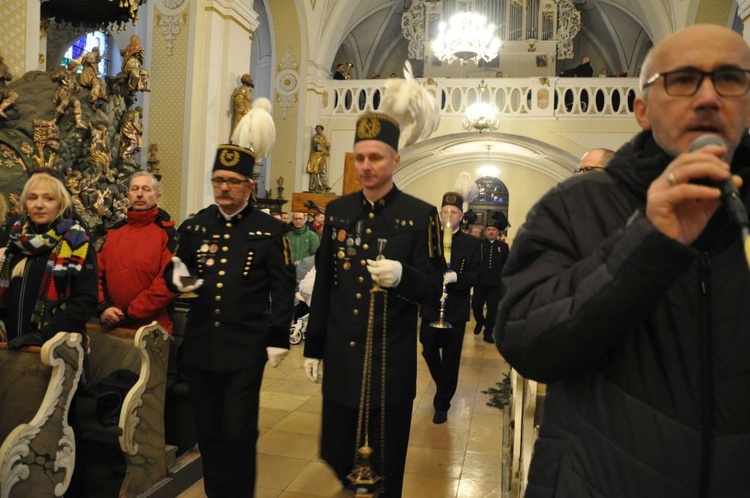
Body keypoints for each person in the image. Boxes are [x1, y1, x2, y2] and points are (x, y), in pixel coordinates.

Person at [496, 24, 750, 496]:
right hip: (596, 479)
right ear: (641, 110)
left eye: (731, 79)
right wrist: (646, 241)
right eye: (682, 79)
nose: (710, 97)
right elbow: (523, 337)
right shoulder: (575, 205)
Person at [303, 107, 443, 495]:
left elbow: (434, 288)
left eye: (376, 157)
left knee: (384, 465)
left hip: (388, 361)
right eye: (360, 157)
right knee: (337, 451)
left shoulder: (420, 215)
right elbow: (325, 286)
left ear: (395, 160)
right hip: (343, 356)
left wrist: (404, 277)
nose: (366, 166)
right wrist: (313, 348)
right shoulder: (338, 211)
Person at [164, 106, 295, 496]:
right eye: (218, 180)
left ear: (249, 186)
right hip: (201, 347)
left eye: (233, 182)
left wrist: (277, 338)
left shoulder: (269, 231)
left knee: (238, 431)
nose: (223, 188)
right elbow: (176, 272)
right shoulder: (197, 225)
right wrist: (178, 278)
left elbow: (283, 289)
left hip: (245, 348)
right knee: (208, 432)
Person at [0, 173, 97, 348]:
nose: (39, 205)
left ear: (61, 204)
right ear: (25, 205)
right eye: (32, 198)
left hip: (59, 348)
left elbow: (86, 301)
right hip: (12, 346)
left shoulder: (77, 243)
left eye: (48, 198)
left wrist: (42, 336)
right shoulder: (16, 243)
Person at [419, 191, 480, 424]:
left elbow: (477, 273)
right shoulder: (429, 240)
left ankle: (442, 403)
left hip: (456, 307)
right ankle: (443, 385)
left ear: (460, 216)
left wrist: (458, 277)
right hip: (431, 306)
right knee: (428, 347)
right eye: (444, 211)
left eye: (453, 212)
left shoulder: (471, 243)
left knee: (452, 357)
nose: (448, 215)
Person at [97, 171, 177, 333]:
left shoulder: (168, 234)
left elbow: (166, 284)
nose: (140, 194)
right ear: (128, 195)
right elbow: (94, 275)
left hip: (153, 328)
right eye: (135, 189)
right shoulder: (113, 232)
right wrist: (103, 307)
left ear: (158, 196)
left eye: (146, 189)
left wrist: (128, 312)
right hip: (111, 324)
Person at [471, 214, 509, 343]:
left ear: (498, 232)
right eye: (489, 229)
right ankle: (480, 321)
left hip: (495, 284)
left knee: (492, 310)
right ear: (485, 232)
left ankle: (488, 332)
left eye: (493, 229)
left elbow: (506, 264)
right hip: (480, 282)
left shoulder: (503, 247)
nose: (491, 231)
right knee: (476, 305)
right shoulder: (479, 244)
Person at [52, 61, 87, 130]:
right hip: (62, 92)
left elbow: (76, 85)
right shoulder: (64, 73)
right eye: (76, 68)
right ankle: (54, 120)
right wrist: (57, 77)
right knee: (65, 102)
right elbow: (54, 78)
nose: (77, 70)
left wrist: (78, 88)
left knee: (77, 102)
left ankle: (78, 122)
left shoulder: (73, 77)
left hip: (69, 94)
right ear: (72, 67)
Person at [306, 125, 331, 192]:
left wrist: (328, 147)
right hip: (316, 156)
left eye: (319, 129)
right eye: (317, 129)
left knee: (323, 170)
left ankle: (324, 184)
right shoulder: (315, 138)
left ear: (322, 130)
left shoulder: (324, 137)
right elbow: (315, 147)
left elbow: (326, 145)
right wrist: (321, 149)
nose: (318, 130)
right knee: (316, 171)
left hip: (322, 156)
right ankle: (316, 185)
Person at [0, 52, 19, 119]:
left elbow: (9, 77)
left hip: (3, 89)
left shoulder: (3, 66)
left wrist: (4, 75)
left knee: (14, 95)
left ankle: (1, 108)